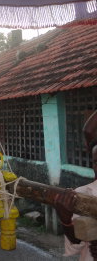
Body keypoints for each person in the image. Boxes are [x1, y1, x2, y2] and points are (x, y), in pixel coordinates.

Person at [54, 110, 97, 261]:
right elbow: (76, 244)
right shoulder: (84, 193)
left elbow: (88, 130)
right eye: (96, 162)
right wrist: (66, 221)